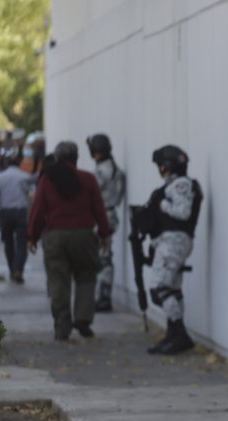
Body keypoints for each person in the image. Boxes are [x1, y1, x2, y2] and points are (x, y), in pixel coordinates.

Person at [26, 141, 112, 341]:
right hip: (84, 235)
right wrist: (105, 234)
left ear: (57, 158)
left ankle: (62, 327)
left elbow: (38, 210)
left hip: (56, 237)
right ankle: (83, 318)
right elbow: (99, 209)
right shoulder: (88, 179)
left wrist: (32, 236)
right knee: (86, 277)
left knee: (58, 282)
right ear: (76, 158)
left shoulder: (47, 180)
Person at [134, 144, 202, 355]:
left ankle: (178, 334)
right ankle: (174, 335)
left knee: (159, 289)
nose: (160, 169)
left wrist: (161, 204)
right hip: (168, 241)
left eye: (161, 165)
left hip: (174, 241)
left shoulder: (181, 185)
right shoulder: (172, 185)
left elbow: (182, 212)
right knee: (172, 289)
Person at [86, 133, 126, 312]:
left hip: (101, 217)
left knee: (102, 258)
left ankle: (103, 297)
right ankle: (103, 295)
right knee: (104, 256)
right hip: (110, 214)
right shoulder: (117, 171)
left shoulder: (101, 172)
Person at [0, 149, 34, 282]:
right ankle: (19, 269)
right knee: (21, 242)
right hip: (21, 212)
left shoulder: (0, 177)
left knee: (8, 243)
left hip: (5, 212)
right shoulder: (25, 176)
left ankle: (12, 268)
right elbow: (31, 193)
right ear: (19, 162)